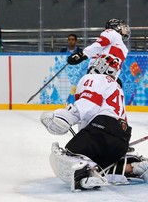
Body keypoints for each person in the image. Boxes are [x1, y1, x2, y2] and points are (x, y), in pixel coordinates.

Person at [40, 54, 148, 191]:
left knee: (71, 153)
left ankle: (85, 175)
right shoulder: (115, 85)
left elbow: (88, 103)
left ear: (99, 65)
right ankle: (135, 166)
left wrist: (65, 117)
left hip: (101, 131)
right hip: (122, 138)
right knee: (102, 166)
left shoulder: (92, 78)